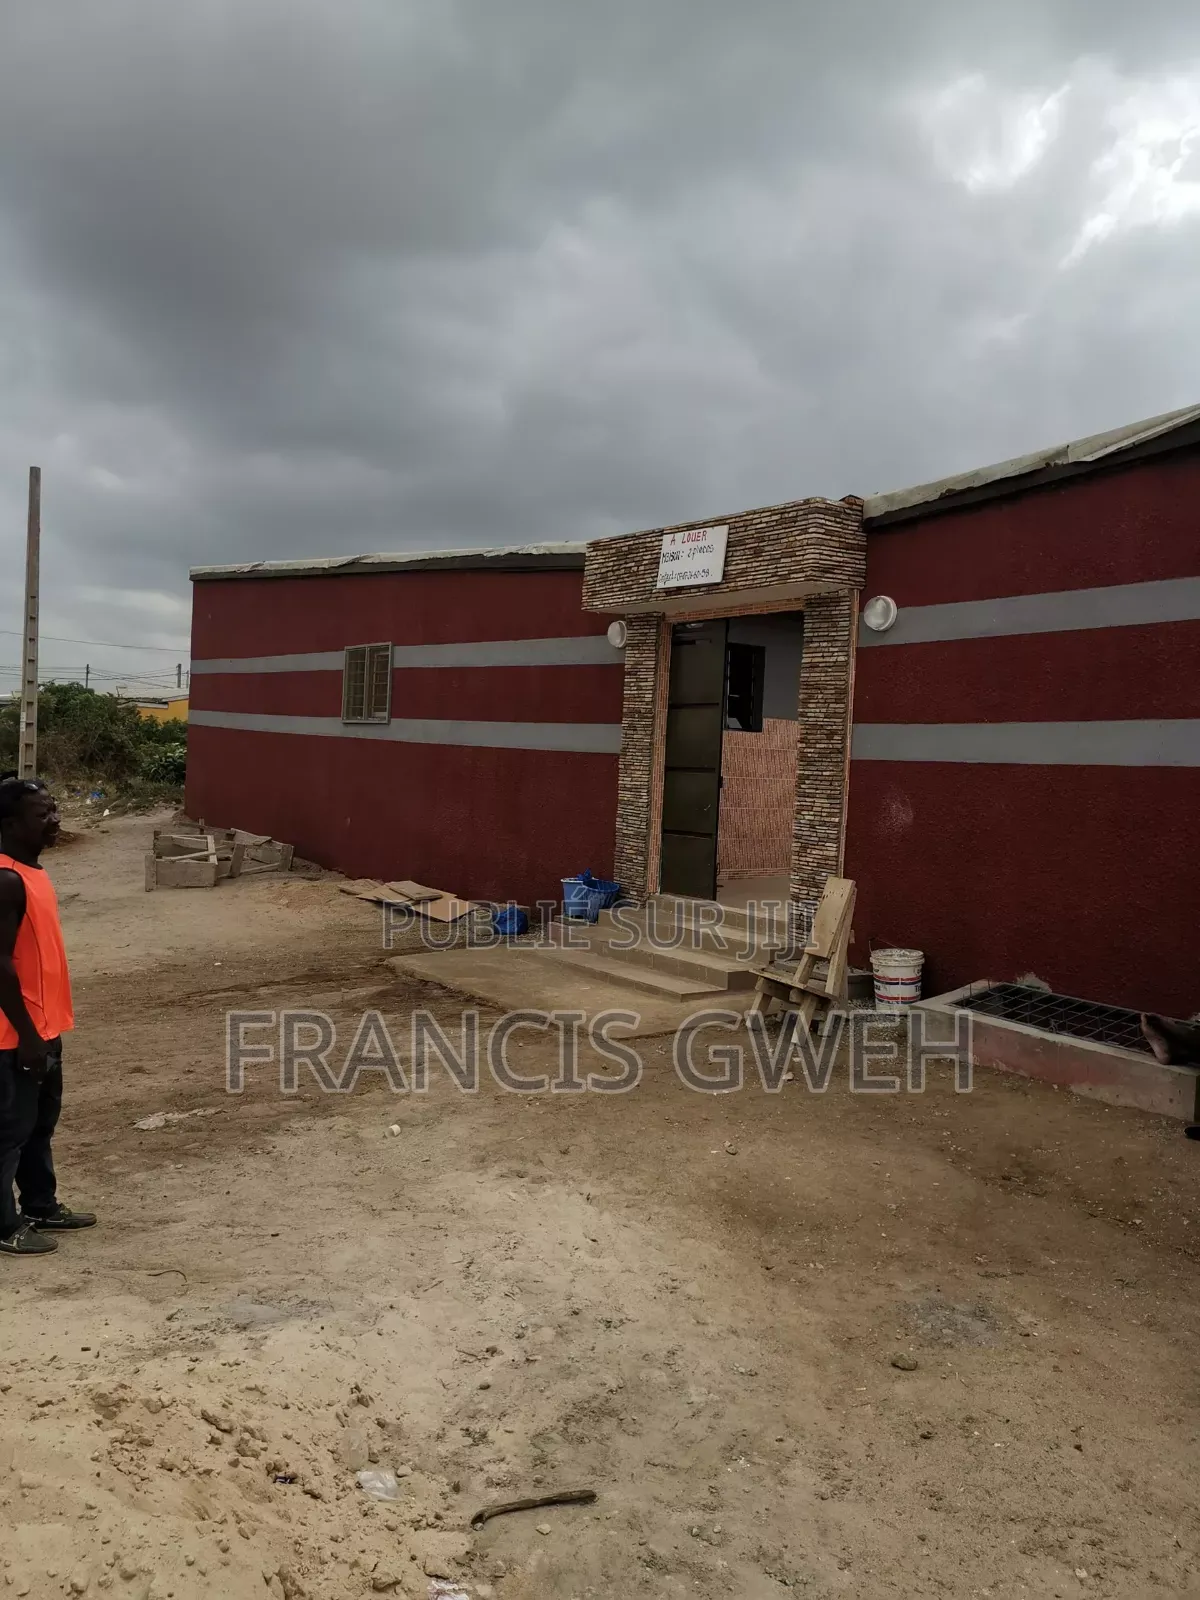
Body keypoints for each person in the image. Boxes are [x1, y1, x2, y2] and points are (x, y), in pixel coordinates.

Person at [0, 777, 95, 1256]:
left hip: (43, 1027)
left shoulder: (32, 871)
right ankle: (3, 1224)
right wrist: (27, 1037)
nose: (55, 820)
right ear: (10, 824)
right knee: (8, 1133)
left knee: (39, 1126)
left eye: (54, 810)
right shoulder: (5, 878)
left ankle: (40, 1204)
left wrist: (44, 1034)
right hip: (13, 1035)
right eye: (43, 815)